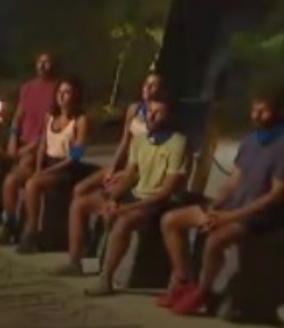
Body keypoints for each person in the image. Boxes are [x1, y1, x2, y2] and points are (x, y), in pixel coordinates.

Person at [158, 90, 284, 315]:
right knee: (171, 220)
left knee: (216, 240)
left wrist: (230, 217)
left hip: (259, 217)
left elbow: (275, 196)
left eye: (263, 111)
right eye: (254, 109)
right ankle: (184, 282)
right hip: (233, 207)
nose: (256, 115)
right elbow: (234, 180)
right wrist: (216, 205)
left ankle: (203, 292)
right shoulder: (250, 141)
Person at [51, 97, 187, 295]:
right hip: (136, 195)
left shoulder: (178, 143)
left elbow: (166, 191)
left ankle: (106, 278)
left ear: (169, 116)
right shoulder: (140, 140)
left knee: (123, 220)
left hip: (157, 202)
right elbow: (130, 175)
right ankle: (75, 261)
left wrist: (127, 208)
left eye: (158, 112)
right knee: (81, 203)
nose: (151, 116)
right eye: (149, 111)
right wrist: (112, 198)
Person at [10, 77, 91, 252]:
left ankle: (32, 230)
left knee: (33, 184)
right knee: (16, 177)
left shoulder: (80, 120)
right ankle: (12, 223)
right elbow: (43, 145)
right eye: (59, 92)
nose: (62, 96)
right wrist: (40, 168)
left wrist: (48, 171)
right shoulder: (50, 117)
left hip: (66, 168)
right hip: (49, 162)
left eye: (67, 92)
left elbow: (76, 156)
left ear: (75, 96)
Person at [0, 52, 56, 230]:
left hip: (38, 145)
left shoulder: (56, 89)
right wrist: (13, 138)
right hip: (21, 139)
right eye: (40, 62)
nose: (42, 65)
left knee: (21, 167)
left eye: (46, 62)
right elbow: (17, 117)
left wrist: (29, 148)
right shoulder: (27, 88)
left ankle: (11, 219)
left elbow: (51, 128)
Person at [73, 72, 164, 201]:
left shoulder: (161, 114)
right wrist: (113, 166)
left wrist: (127, 173)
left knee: (105, 193)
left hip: (139, 168)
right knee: (79, 189)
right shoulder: (134, 109)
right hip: (125, 161)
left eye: (153, 85)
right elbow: (124, 140)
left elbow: (155, 152)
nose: (148, 88)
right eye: (146, 84)